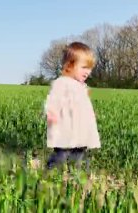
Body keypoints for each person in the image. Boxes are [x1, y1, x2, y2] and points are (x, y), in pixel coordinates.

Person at [43, 41, 101, 173]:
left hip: (80, 130)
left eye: (90, 68)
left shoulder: (82, 87)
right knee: (61, 155)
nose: (88, 72)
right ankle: (49, 175)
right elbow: (52, 100)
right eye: (84, 67)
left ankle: (76, 179)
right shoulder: (62, 83)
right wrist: (52, 112)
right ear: (69, 65)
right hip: (66, 130)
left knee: (79, 155)